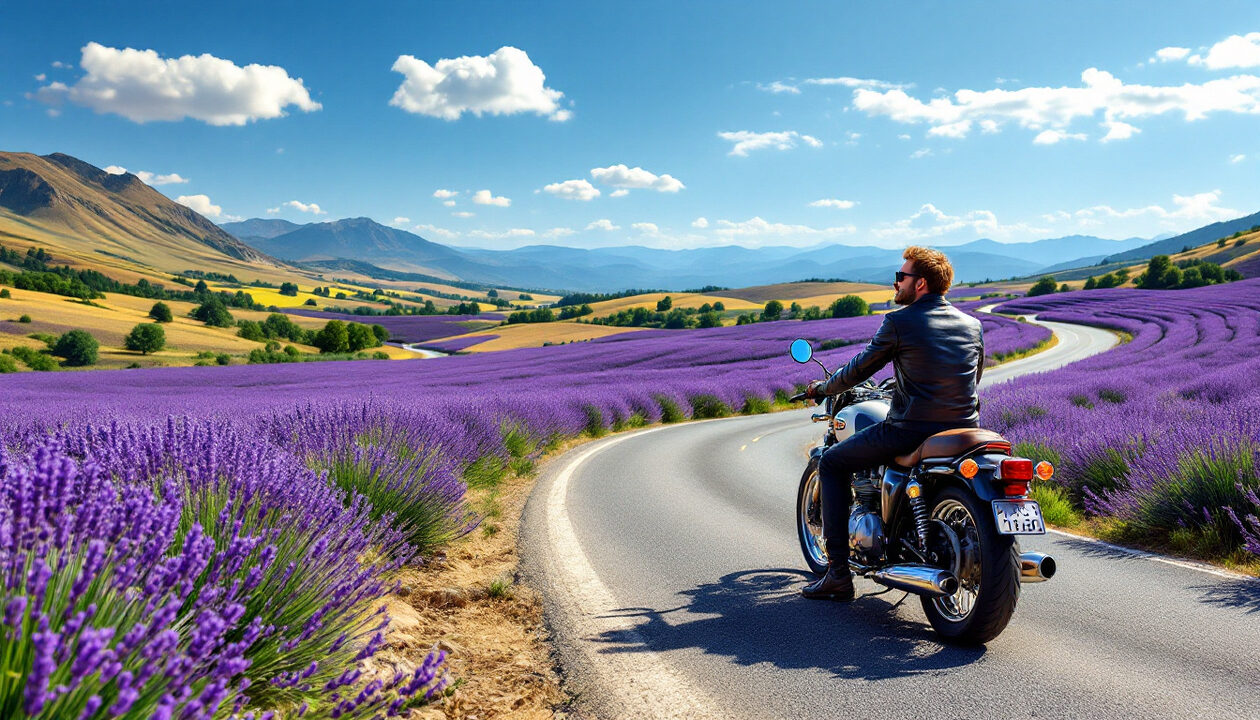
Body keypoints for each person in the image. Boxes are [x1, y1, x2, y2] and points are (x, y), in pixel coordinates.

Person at [800, 246, 984, 601]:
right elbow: (972, 378)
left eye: (901, 277)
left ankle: (838, 574)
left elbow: (859, 370)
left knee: (833, 462)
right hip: (965, 430)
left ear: (921, 284)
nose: (895, 283)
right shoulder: (972, 324)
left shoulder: (899, 322)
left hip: (911, 429)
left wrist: (822, 388)